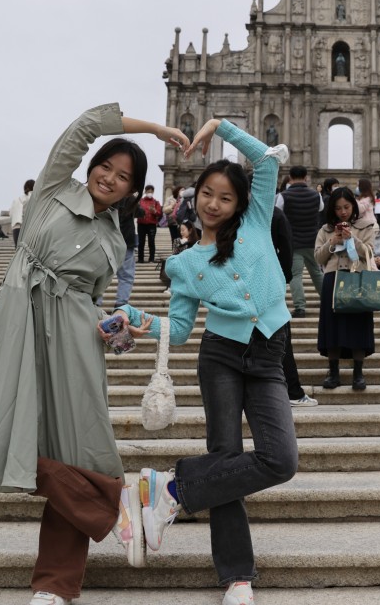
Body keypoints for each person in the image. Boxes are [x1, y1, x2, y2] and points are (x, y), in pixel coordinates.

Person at [0, 103, 188, 605]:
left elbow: (96, 301)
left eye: (124, 177)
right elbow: (83, 126)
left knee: (77, 450)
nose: (110, 178)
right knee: (14, 431)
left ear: (131, 191)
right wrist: (157, 129)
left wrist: (116, 330)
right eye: (106, 166)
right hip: (23, 320)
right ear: (92, 166)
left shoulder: (116, 240)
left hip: (79, 338)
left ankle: (56, 584)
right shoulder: (55, 188)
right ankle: (121, 507)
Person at [114, 118, 297, 605]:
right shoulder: (184, 264)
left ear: (240, 203)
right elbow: (177, 328)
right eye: (206, 193)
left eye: (224, 196)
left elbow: (264, 160)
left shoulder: (258, 219)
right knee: (227, 455)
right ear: (194, 196)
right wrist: (136, 319)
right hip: (219, 357)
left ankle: (169, 490)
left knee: (281, 459)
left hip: (269, 353)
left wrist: (220, 127)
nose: (214, 203)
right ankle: (237, 576)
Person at [316, 187, 377, 391]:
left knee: (357, 324)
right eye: (338, 208)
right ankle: (333, 373)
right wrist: (333, 241)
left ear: (354, 206)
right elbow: (318, 258)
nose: (343, 212)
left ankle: (358, 374)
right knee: (332, 327)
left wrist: (352, 239)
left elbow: (369, 252)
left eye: (347, 207)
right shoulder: (325, 230)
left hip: (356, 278)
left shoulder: (366, 226)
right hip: (332, 279)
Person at [271, 202, 317, 407]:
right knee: (282, 337)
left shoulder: (235, 215)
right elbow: (286, 249)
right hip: (269, 283)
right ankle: (293, 391)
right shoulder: (275, 215)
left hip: (237, 286)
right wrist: (283, 277)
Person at [276, 166, 325, 319]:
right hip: (312, 240)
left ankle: (300, 308)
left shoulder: (283, 196)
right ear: (306, 177)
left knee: (296, 275)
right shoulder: (316, 195)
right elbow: (320, 209)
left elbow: (277, 214)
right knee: (316, 272)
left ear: (290, 177)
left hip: (294, 242)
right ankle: (328, 300)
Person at [113, 197, 137, 307]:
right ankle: (121, 303)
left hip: (108, 239)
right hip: (127, 240)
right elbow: (140, 212)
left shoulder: (110, 197)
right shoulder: (131, 199)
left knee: (98, 273)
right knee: (126, 276)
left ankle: (95, 301)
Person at [136, 184, 162, 263]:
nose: (150, 193)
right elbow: (136, 212)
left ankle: (151, 258)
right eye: (148, 191)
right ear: (145, 191)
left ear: (153, 192)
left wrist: (154, 211)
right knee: (141, 242)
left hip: (152, 224)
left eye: (151, 191)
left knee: (151, 242)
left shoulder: (156, 202)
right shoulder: (140, 201)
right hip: (141, 224)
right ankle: (140, 259)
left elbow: (159, 213)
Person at [10, 179, 35, 247]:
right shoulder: (33, 197)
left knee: (18, 248)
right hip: (28, 227)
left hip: (16, 226)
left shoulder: (17, 199)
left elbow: (11, 214)